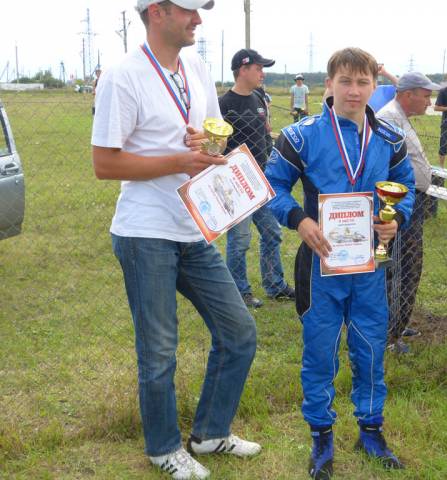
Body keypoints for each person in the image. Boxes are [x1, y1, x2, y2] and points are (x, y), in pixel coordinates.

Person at [91, 1, 260, 478]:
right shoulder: (123, 77)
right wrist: (178, 161)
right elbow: (104, 163)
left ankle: (210, 434)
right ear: (157, 11)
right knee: (159, 351)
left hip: (193, 227)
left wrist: (206, 148)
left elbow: (211, 139)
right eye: (189, 10)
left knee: (239, 332)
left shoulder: (196, 68)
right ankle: (163, 448)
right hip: (145, 232)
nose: (198, 19)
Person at [265, 47, 415, 479]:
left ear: (374, 86)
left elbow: (405, 186)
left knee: (370, 348)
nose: (354, 90)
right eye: (345, 81)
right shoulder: (301, 136)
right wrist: (300, 219)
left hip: (371, 264)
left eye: (363, 82)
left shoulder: (389, 138)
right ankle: (321, 438)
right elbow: (272, 186)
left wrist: (396, 220)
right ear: (329, 84)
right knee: (320, 352)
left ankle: (371, 431)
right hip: (321, 265)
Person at [221, 48, 295, 308]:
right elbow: (216, 147)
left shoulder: (259, 99)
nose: (262, 73)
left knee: (272, 232)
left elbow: (265, 136)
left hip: (261, 182)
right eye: (258, 68)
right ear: (243, 70)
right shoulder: (223, 104)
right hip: (236, 185)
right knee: (240, 240)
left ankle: (275, 285)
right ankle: (239, 292)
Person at [377, 71, 441, 353]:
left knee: (406, 265)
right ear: (407, 94)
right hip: (400, 203)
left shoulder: (399, 117)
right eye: (425, 95)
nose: (429, 101)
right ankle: (390, 333)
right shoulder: (389, 118)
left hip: (410, 200)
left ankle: (397, 323)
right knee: (403, 266)